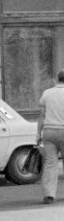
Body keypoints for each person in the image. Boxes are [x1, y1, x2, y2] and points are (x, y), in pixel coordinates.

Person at [36, 70, 64, 204]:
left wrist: (38, 133)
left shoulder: (47, 93)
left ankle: (49, 195)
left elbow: (42, 115)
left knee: (50, 163)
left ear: (56, 79)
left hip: (49, 131)